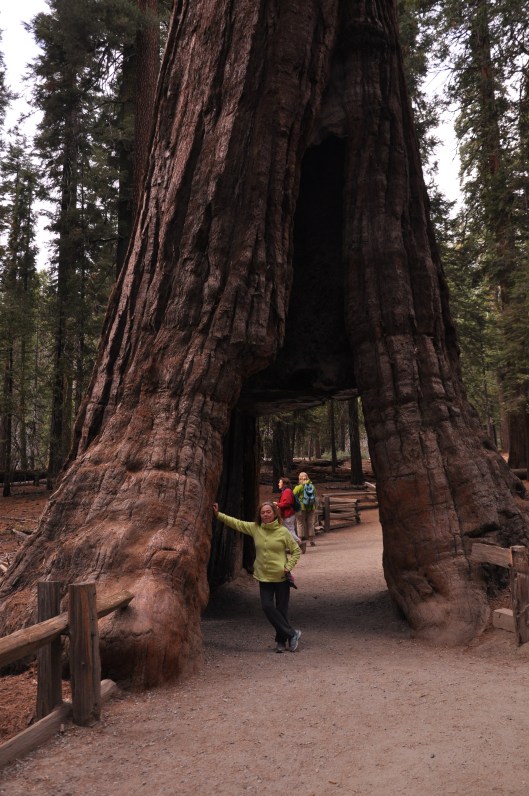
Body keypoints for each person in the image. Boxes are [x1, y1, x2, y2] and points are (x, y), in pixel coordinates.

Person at [213, 501, 302, 653]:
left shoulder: (283, 531)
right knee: (267, 607)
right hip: (264, 577)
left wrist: (288, 567)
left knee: (281, 610)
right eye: (263, 512)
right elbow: (237, 523)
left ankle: (281, 642)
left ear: (274, 513)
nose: (266, 514)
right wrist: (218, 515)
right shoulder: (256, 528)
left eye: (268, 512)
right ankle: (293, 634)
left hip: (281, 578)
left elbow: (296, 551)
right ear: (259, 515)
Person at [275, 476, 303, 547]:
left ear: (284, 484)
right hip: (288, 514)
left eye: (280, 482)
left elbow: (287, 503)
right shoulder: (286, 491)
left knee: (289, 531)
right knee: (290, 530)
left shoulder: (287, 491)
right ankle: (293, 546)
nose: (278, 484)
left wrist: (277, 504)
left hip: (288, 514)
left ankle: (299, 543)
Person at [293, 471, 317, 547]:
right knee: (310, 523)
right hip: (311, 507)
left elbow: (293, 495)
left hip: (301, 507)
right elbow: (315, 495)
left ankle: (300, 540)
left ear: (299, 478)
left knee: (300, 523)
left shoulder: (299, 487)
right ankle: (312, 540)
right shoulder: (312, 486)